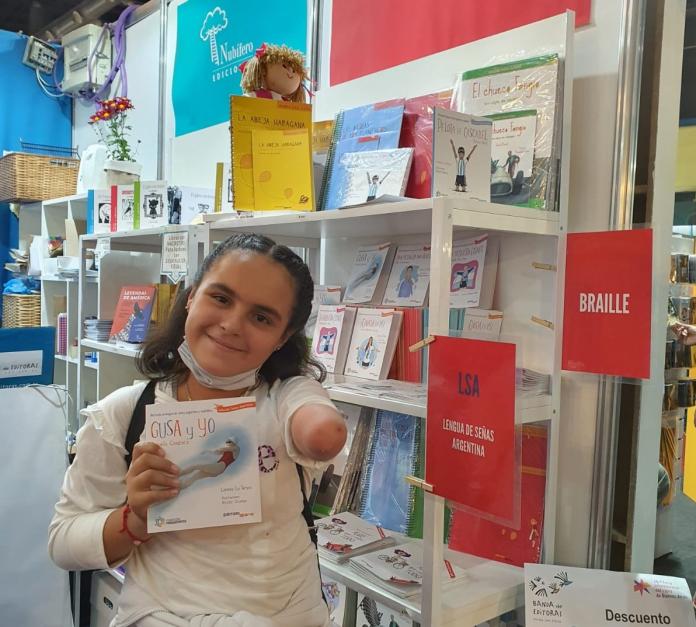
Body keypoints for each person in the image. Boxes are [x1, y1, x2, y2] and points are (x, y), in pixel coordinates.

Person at [49, 233, 348, 627]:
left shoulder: (286, 400)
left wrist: (322, 432)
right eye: (221, 298)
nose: (231, 325)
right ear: (190, 297)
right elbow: (63, 543)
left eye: (261, 317)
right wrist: (135, 520)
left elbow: (321, 431)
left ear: (283, 338)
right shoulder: (124, 413)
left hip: (290, 613)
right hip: (164, 615)